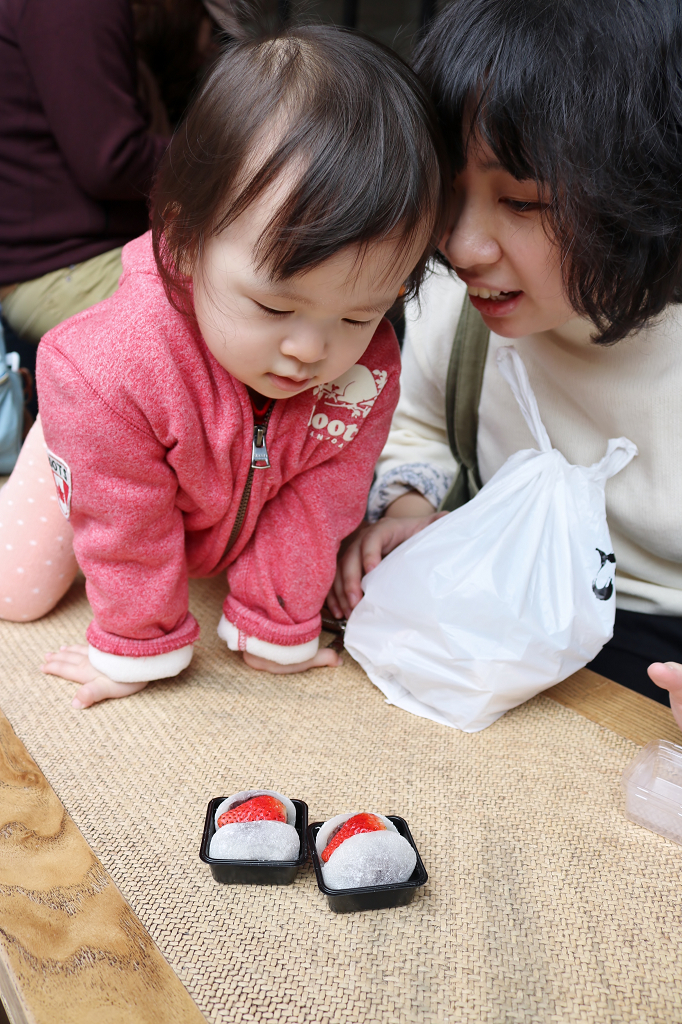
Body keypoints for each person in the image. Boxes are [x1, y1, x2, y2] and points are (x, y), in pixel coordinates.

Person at [1, 20, 449, 709]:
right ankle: (43, 452)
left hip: (227, 487)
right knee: (19, 592)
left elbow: (322, 500)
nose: (311, 350)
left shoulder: (365, 370)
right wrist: (136, 644)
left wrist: (277, 626)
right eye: (274, 308)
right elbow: (125, 528)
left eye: (358, 315)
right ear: (183, 245)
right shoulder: (110, 368)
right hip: (108, 452)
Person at [328, 0, 682, 730]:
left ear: (645, 189)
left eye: (520, 200)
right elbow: (414, 422)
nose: (461, 247)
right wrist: (408, 506)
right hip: (498, 641)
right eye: (449, 191)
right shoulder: (462, 320)